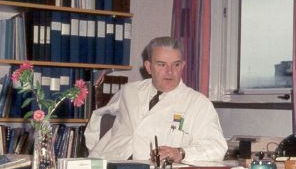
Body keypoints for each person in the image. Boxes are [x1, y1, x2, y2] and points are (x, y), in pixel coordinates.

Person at [85, 36, 227, 162]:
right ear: (148, 67)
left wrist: (181, 152)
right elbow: (99, 116)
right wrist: (94, 152)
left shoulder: (198, 103)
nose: (170, 71)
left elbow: (216, 146)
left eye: (176, 65)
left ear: (182, 66)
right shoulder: (129, 91)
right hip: (112, 165)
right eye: (161, 64)